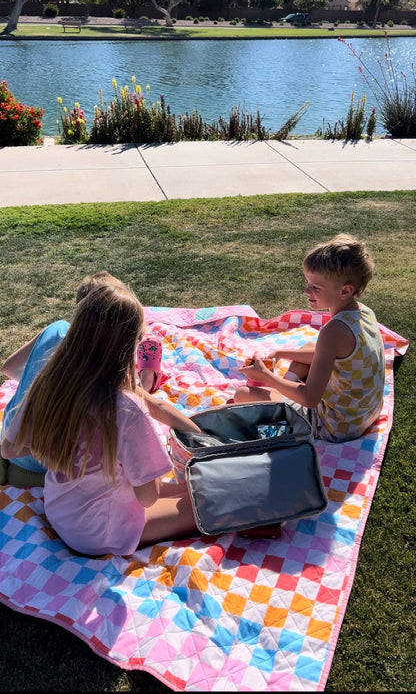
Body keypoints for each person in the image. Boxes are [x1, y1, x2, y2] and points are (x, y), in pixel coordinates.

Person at [1, 282, 200, 555]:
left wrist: (60, 447)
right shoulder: (127, 410)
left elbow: (9, 448)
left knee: (184, 488)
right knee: (203, 501)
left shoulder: (47, 386)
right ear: (126, 347)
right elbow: (148, 497)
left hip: (59, 510)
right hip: (99, 533)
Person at [0, 272, 185, 487]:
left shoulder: (56, 330)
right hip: (49, 463)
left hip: (13, 437)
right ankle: (147, 379)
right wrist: (201, 433)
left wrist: (34, 384)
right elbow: (150, 405)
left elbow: (9, 368)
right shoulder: (98, 368)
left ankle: (11, 472)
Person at [234, 233, 385, 443]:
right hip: (363, 415)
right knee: (307, 348)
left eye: (315, 287)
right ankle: (287, 389)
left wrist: (266, 376)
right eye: (307, 283)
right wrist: (279, 353)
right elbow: (324, 354)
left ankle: (277, 426)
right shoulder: (364, 312)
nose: (306, 291)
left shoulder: (333, 331)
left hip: (333, 427)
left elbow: (310, 399)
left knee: (242, 395)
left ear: (345, 291)